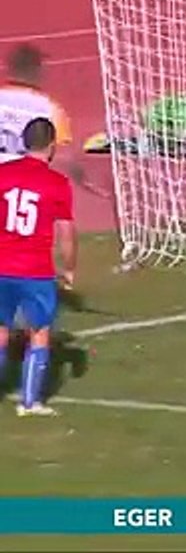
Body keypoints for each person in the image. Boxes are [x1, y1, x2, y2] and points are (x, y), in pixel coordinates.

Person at [0, 118, 76, 417]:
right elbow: (66, 232)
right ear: (52, 145)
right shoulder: (57, 183)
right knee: (40, 331)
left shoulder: (2, 174)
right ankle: (30, 402)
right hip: (35, 269)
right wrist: (69, 268)